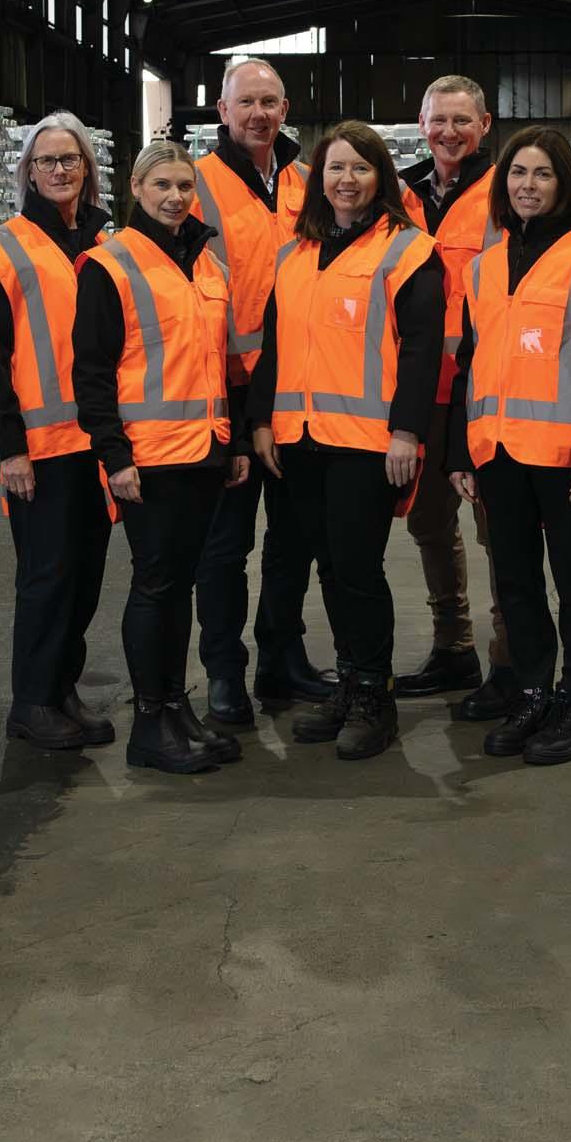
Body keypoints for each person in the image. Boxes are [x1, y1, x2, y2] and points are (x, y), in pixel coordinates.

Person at [248, 121, 444, 761]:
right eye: (335, 168)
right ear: (319, 179)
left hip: (368, 442)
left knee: (358, 570)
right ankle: (351, 681)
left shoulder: (408, 250)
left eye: (360, 167)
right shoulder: (294, 255)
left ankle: (374, 699)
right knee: (330, 568)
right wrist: (261, 421)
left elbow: (420, 352)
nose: (347, 180)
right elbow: (275, 345)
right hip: (300, 438)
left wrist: (407, 432)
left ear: (380, 177)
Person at [447, 126, 571, 766]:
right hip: (498, 454)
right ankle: (532, 691)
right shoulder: (482, 267)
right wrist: (460, 452)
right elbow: (468, 365)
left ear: (563, 184)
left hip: (565, 459)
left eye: (542, 174)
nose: (528, 186)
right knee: (516, 581)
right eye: (518, 174)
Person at [72, 142, 248, 776]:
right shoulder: (110, 264)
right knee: (155, 585)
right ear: (137, 189)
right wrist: (114, 456)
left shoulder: (207, 263)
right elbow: (91, 374)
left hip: (203, 451)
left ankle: (176, 708)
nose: (176, 197)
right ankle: (150, 724)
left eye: (185, 186)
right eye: (163, 185)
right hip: (147, 459)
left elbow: (221, 363)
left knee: (179, 586)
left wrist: (233, 442)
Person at [188, 58, 335, 726]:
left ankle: (282, 658)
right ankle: (224, 671)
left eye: (269, 102)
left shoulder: (307, 182)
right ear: (222, 111)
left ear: (285, 109)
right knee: (225, 547)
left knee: (294, 537)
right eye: (245, 102)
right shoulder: (194, 184)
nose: (258, 114)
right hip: (228, 387)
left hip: (296, 389)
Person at [0, 111, 114, 752]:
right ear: (28, 171)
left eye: (70, 159)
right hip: (41, 447)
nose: (59, 170)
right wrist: (11, 449)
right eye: (46, 160)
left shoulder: (107, 242)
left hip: (96, 443)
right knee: (46, 577)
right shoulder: (2, 248)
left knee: (85, 576)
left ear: (87, 168)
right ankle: (31, 702)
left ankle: (61, 688)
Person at [394, 75, 513, 718]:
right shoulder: (399, 195)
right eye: (438, 120)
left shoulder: (508, 192)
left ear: (484, 125)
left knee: (499, 529)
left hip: (487, 389)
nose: (449, 132)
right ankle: (453, 647)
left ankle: (509, 661)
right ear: (422, 123)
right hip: (420, 390)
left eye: (462, 120)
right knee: (429, 523)